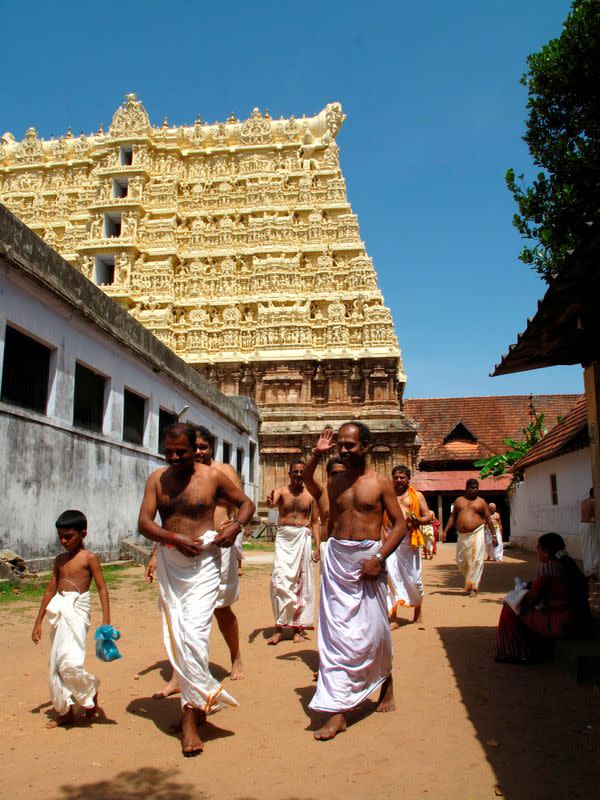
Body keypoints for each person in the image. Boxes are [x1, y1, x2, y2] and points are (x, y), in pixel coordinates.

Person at [138, 423, 255, 757]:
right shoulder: (157, 479)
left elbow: (245, 504)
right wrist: (172, 539)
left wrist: (235, 525)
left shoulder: (212, 477)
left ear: (195, 451)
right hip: (172, 563)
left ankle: (190, 718)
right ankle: (201, 703)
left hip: (205, 562)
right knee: (177, 635)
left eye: (181, 452)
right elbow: (145, 523)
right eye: (169, 451)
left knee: (193, 634)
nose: (174, 457)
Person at [308, 421, 408, 740]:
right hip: (338, 559)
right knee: (335, 636)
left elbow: (400, 525)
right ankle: (337, 711)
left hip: (369, 560)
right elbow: (308, 482)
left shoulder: (380, 484)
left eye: (350, 445)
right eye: (341, 445)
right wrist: (315, 454)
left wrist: (378, 559)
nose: (344, 450)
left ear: (365, 446)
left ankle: (385, 682)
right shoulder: (334, 482)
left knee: (375, 631)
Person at [31, 509, 110, 728]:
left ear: (83, 534)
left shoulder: (89, 558)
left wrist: (106, 620)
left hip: (78, 610)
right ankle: (65, 711)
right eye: (61, 537)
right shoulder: (59, 560)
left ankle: (90, 690)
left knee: (70, 661)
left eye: (69, 536)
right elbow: (49, 591)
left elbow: (103, 589)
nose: (64, 541)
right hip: (59, 610)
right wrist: (38, 622)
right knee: (56, 663)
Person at [495, 532, 592, 663]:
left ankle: (515, 652)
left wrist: (521, 592)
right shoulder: (570, 566)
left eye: (538, 548)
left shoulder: (549, 569)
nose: (537, 552)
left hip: (560, 622)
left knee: (510, 608)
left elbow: (532, 597)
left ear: (545, 551)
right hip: (575, 619)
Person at [266, 460, 320, 645]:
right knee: (279, 581)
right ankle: (279, 628)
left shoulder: (311, 496)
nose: (298, 475)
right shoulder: (281, 491)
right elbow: (272, 504)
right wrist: (270, 502)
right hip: (284, 539)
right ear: (289, 474)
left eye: (301, 472)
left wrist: (318, 545)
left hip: (302, 538)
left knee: (301, 583)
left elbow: (314, 522)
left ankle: (297, 628)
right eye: (295, 472)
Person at [385, 465, 430, 626]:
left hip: (410, 540)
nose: (399, 480)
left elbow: (428, 516)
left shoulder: (417, 496)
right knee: (390, 577)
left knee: (414, 579)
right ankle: (393, 617)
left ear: (408, 479)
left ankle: (417, 609)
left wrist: (417, 520)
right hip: (390, 538)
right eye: (396, 477)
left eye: (402, 477)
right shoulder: (387, 496)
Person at [441, 479, 497, 596]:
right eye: (472, 488)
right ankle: (470, 581)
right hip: (461, 535)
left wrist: (494, 535)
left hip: (477, 532)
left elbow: (489, 520)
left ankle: (474, 587)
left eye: (476, 488)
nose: (474, 490)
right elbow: (452, 517)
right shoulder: (459, 501)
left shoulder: (482, 502)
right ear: (466, 488)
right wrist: (445, 531)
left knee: (476, 560)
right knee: (461, 561)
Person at [303, 426, 346, 537]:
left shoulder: (356, 490)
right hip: (327, 545)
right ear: (327, 475)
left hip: (352, 546)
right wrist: (317, 454)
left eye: (341, 473)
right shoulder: (322, 492)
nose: (338, 476)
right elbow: (306, 477)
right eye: (334, 473)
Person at [580, 489, 598, 580]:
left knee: (586, 549)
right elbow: (594, 517)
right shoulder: (594, 502)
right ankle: (592, 572)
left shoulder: (583, 501)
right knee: (592, 550)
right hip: (590, 526)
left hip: (582, 526)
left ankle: (588, 570)